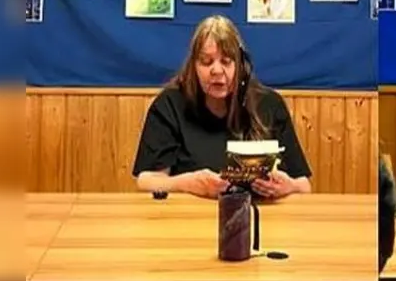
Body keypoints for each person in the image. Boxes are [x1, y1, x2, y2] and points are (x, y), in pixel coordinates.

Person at [132, 15, 312, 200]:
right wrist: (188, 183)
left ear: (241, 66)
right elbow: (146, 181)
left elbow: (304, 186)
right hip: (189, 221)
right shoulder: (169, 105)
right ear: (193, 67)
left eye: (226, 61)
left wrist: (287, 186)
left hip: (261, 220)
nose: (217, 71)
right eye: (206, 61)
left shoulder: (269, 104)